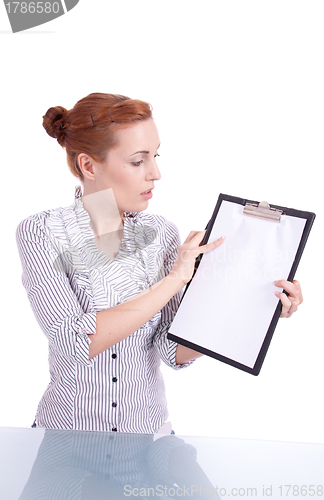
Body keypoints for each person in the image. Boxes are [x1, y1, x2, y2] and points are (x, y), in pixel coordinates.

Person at [16, 92, 303, 434]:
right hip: (66, 439)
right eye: (138, 161)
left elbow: (172, 350)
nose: (156, 173)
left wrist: (254, 308)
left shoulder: (162, 233)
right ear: (88, 166)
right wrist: (173, 280)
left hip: (147, 440)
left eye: (155, 156)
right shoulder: (41, 231)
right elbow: (74, 341)